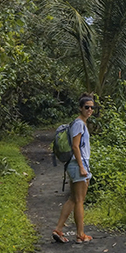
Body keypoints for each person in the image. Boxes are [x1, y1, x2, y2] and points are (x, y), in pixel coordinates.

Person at [52, 93, 95, 244]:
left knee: (73, 199)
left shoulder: (80, 123)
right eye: (86, 107)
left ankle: (58, 229)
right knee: (79, 201)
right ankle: (80, 234)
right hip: (78, 165)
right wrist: (82, 167)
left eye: (91, 107)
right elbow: (75, 146)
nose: (89, 110)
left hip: (76, 165)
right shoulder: (78, 124)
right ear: (80, 108)